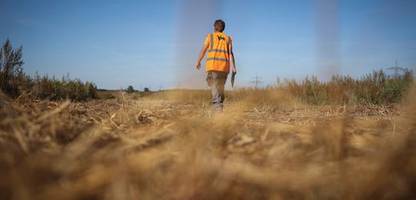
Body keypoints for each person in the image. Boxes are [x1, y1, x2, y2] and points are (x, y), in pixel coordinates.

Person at [195, 19, 237, 111]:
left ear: (215, 27)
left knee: (213, 84)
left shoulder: (210, 36)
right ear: (223, 28)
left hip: (213, 66)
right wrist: (234, 67)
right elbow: (231, 53)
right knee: (220, 87)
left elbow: (203, 50)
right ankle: (219, 104)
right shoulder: (228, 38)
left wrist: (198, 61)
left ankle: (217, 107)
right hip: (225, 68)